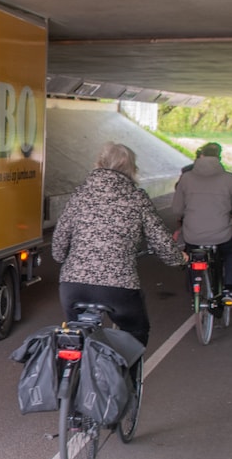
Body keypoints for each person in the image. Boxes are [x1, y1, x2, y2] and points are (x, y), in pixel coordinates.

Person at [52, 142, 186, 349]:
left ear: (98, 163)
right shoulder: (136, 198)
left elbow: (59, 245)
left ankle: (72, 376)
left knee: (74, 338)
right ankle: (125, 377)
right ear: (132, 169)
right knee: (135, 332)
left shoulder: (80, 195)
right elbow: (161, 241)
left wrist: (62, 257)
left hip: (73, 286)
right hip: (119, 287)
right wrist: (179, 258)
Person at [171, 141, 232, 303]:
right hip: (221, 235)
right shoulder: (229, 179)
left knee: (192, 251)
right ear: (219, 158)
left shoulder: (186, 178)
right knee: (231, 252)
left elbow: (177, 210)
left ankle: (194, 286)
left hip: (192, 235)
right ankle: (228, 289)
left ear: (200, 156)